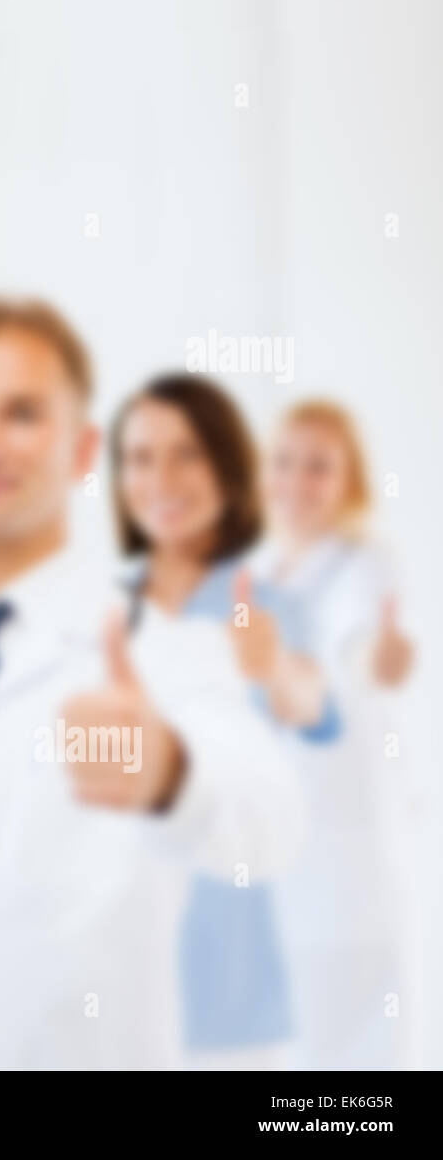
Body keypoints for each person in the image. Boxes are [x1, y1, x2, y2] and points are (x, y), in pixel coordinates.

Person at [0, 297, 304, 1069]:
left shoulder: (155, 642)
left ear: (85, 449)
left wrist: (171, 775)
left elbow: (273, 819)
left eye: (21, 414)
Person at [109, 373, 337, 1070]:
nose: (162, 479)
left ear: (228, 468)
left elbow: (316, 708)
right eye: (142, 458)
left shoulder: (259, 603)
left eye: (188, 454)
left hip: (230, 997)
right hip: (111, 985)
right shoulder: (99, 609)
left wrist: (275, 673)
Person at [252, 399, 422, 1069]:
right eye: (285, 463)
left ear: (350, 480)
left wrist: (376, 657)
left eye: (319, 467)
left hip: (347, 874)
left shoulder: (364, 567)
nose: (297, 481)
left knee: (355, 1074)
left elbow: (364, 649)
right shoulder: (260, 577)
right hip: (278, 871)